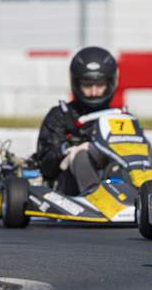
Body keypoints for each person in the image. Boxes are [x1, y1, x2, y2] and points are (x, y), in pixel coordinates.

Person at [34, 46, 124, 195]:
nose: (94, 92)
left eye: (99, 85)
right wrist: (69, 147)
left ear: (110, 83)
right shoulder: (61, 115)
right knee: (81, 155)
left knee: (147, 153)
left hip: (114, 177)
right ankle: (95, 195)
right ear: (76, 83)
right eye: (87, 85)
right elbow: (46, 164)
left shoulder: (119, 117)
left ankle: (146, 195)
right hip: (70, 185)